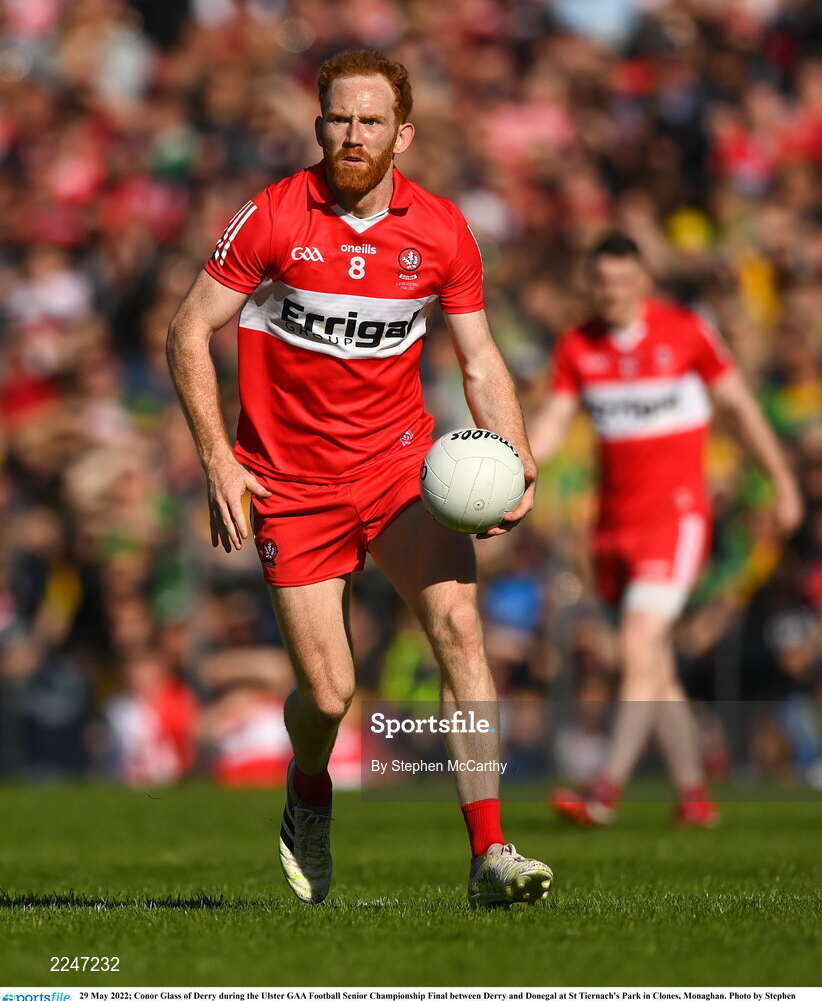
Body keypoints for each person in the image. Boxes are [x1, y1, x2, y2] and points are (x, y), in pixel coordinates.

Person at [166, 49, 553, 906]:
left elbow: (480, 358)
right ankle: (309, 789)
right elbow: (188, 332)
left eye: (371, 121)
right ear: (318, 125)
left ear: (402, 135)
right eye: (339, 118)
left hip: (397, 469)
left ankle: (491, 851)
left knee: (459, 625)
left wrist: (516, 455)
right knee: (331, 692)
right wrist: (216, 460)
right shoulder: (272, 217)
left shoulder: (443, 230)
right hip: (290, 485)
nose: (352, 134)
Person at [530, 233, 803, 827]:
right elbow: (551, 425)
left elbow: (741, 411)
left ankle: (604, 791)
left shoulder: (685, 334)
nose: (612, 294)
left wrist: (783, 482)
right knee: (652, 667)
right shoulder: (579, 347)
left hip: (676, 519)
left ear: (645, 283)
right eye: (601, 283)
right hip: (613, 529)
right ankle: (695, 798)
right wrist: (520, 470)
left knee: (636, 646)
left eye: (623, 283)